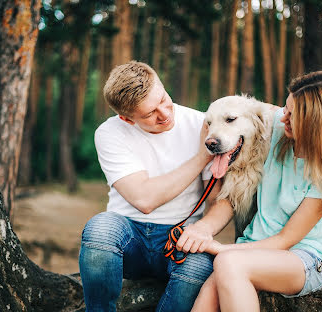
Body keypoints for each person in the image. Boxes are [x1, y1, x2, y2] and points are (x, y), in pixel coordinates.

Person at [187, 71, 322, 311]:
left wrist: (221, 248)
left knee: (228, 262)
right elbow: (251, 109)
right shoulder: (275, 130)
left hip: (302, 259)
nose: (282, 117)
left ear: (315, 122)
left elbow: (286, 240)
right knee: (204, 301)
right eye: (285, 108)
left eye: (292, 115)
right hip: (251, 249)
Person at [78, 61, 223, 312]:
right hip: (128, 237)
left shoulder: (203, 125)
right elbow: (144, 199)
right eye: (149, 114)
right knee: (100, 228)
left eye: (164, 99)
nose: (165, 114)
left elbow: (221, 199)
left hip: (180, 237)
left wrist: (203, 229)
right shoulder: (109, 132)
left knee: (200, 266)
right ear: (126, 118)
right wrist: (202, 156)